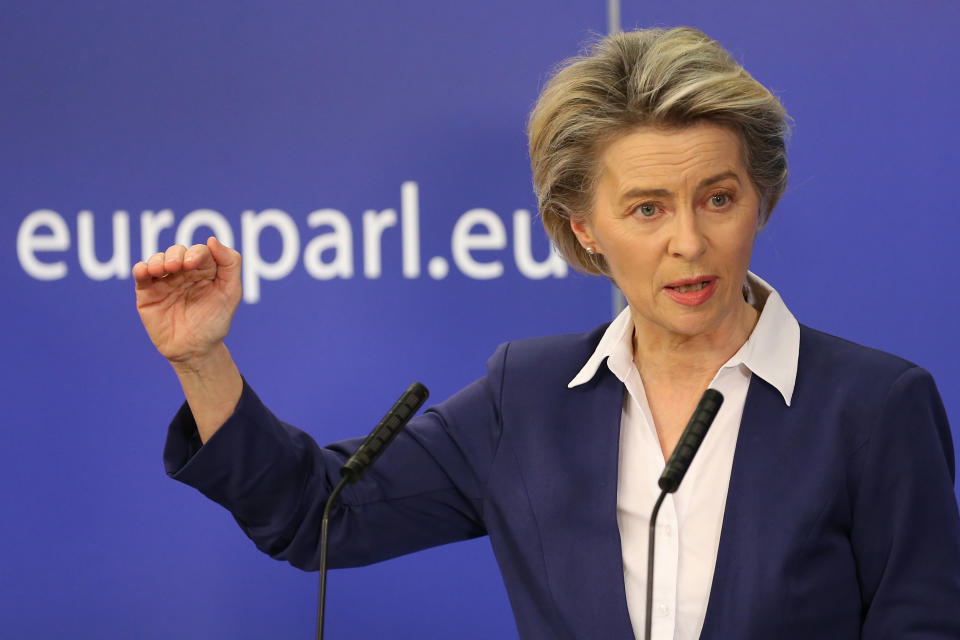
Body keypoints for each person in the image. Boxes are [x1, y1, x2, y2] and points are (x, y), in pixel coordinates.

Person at [133, 27, 960, 639]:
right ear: (584, 228)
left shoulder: (875, 405)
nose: (690, 242)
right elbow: (318, 513)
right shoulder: (525, 400)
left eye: (718, 197)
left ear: (761, 198)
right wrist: (202, 359)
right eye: (647, 208)